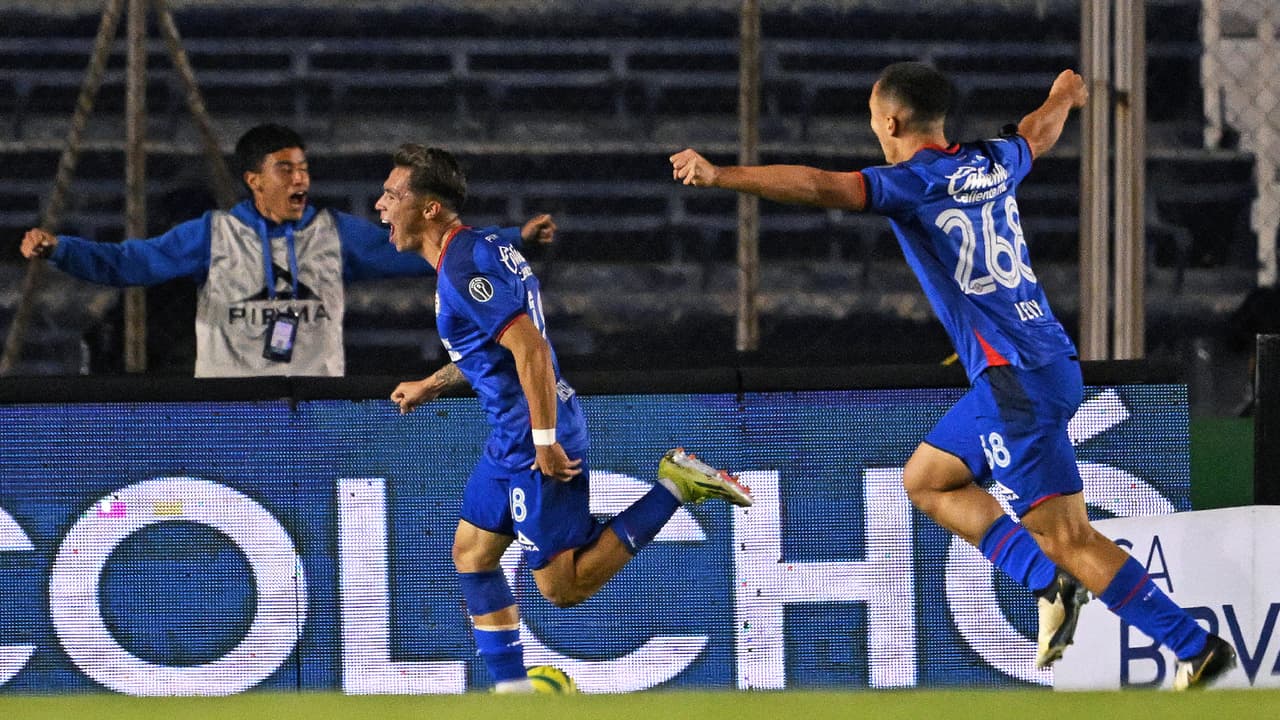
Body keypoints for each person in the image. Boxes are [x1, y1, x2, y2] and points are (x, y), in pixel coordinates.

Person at [670, 62, 1237, 690]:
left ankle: (1193, 647)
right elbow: (1036, 134)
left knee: (1068, 537)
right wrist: (1063, 95)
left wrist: (721, 174)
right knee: (928, 479)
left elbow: (819, 185)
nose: (873, 134)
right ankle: (1050, 585)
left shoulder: (910, 183)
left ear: (891, 121)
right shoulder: (993, 161)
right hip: (1041, 364)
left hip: (1013, 381)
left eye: (873, 122)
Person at [381, 143, 752, 693]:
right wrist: (432, 385)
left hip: (533, 435)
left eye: (393, 195)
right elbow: (495, 350)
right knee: (472, 554)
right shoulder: (480, 248)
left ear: (430, 208)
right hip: (514, 433)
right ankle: (514, 693)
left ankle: (673, 487)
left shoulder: (461, 267)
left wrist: (545, 440)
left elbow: (530, 348)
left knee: (563, 587)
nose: (381, 206)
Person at [19, 123, 556, 378]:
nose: (301, 177)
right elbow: (130, 263)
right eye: (286, 169)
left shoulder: (333, 232)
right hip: (231, 412)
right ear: (254, 180)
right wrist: (61, 249)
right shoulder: (214, 234)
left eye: (304, 167)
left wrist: (514, 240)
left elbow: (426, 244)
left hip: (318, 408)